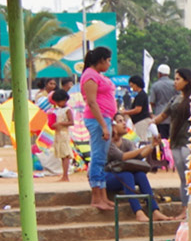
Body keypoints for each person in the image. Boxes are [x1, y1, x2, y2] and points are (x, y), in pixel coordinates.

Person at [103, 122, 166, 221]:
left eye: (124, 120)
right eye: (119, 121)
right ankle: (138, 212)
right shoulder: (108, 144)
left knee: (140, 175)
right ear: (113, 127)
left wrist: (152, 145)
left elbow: (139, 156)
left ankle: (155, 210)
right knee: (127, 175)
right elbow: (123, 157)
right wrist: (146, 146)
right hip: (107, 176)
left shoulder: (127, 142)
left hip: (122, 175)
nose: (124, 123)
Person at [82, 47, 117, 211]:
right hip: (97, 120)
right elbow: (91, 102)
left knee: (101, 158)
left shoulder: (96, 76)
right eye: (108, 60)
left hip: (105, 118)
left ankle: (103, 195)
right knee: (98, 157)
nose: (109, 64)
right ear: (101, 60)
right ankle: (96, 196)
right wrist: (103, 125)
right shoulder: (90, 76)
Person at [154, 69, 191, 198]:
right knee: (183, 178)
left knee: (190, 177)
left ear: (187, 81)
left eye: (178, 79)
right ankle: (185, 208)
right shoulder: (174, 99)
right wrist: (151, 124)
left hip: (189, 142)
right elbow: (162, 116)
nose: (174, 83)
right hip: (176, 141)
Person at [48, 88, 76, 181]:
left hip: (64, 134)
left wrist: (60, 124)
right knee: (62, 155)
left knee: (65, 155)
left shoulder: (67, 110)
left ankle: (65, 176)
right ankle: (64, 174)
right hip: (59, 134)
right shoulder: (58, 109)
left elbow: (71, 122)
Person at [149, 64, 178, 145]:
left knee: (162, 141)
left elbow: (152, 102)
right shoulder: (174, 84)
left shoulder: (155, 86)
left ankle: (164, 156)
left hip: (160, 117)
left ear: (159, 74)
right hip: (173, 117)